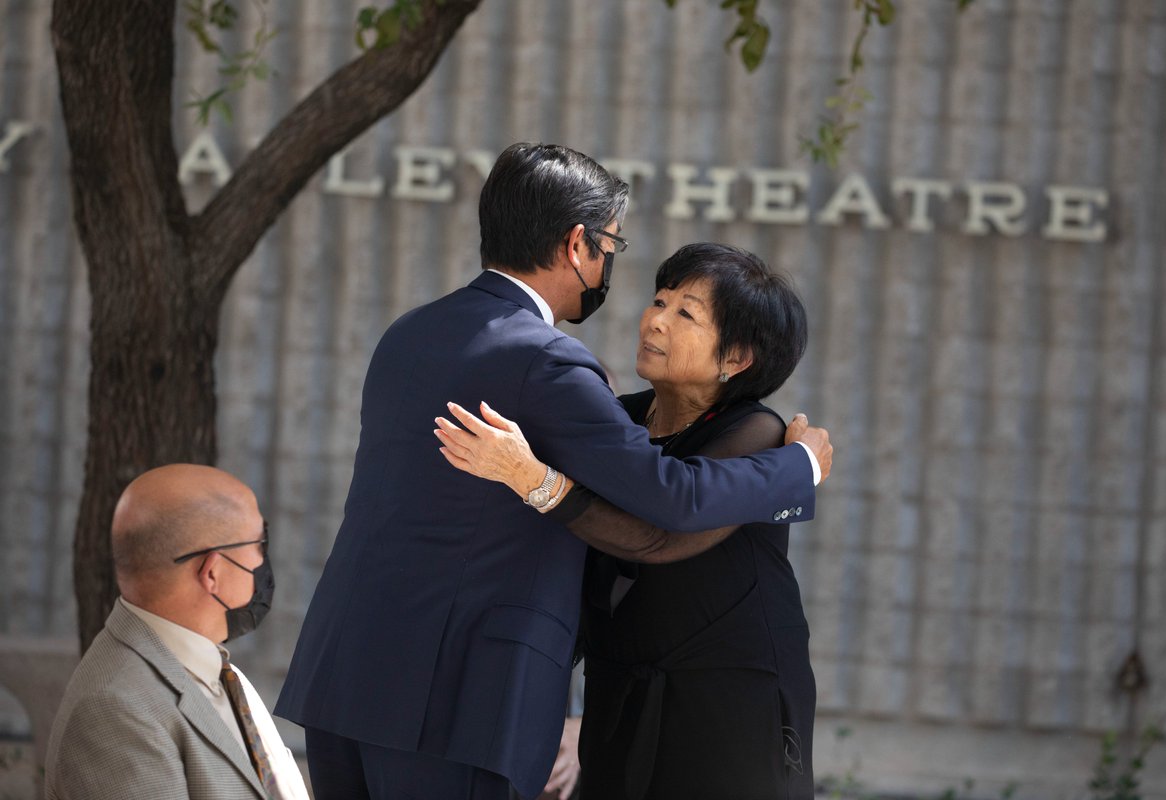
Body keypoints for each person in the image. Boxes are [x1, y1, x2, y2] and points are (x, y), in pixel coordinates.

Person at [275, 143, 831, 800]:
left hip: (353, 675)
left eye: (685, 312)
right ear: (578, 245)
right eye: (615, 252)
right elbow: (668, 502)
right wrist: (800, 469)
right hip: (458, 698)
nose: (652, 316)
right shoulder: (550, 363)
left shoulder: (412, 332)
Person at [435, 243, 826, 800]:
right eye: (659, 301)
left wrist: (533, 479)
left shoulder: (756, 435)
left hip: (729, 693)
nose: (656, 321)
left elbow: (663, 536)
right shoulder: (617, 415)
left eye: (685, 313)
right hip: (620, 682)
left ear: (735, 359)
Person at [44, 464, 308, 800]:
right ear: (211, 572)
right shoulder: (114, 711)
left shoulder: (219, 673)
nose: (264, 562)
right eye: (260, 543)